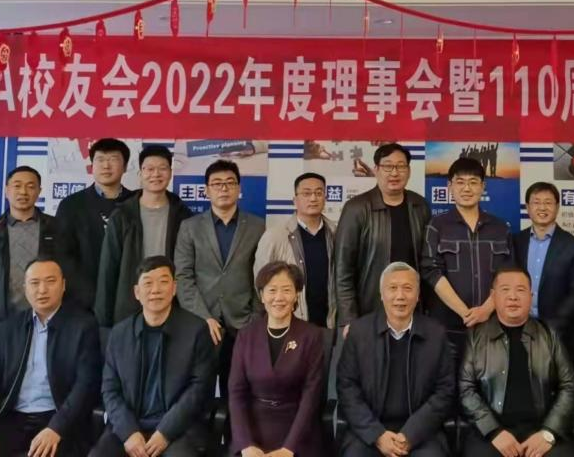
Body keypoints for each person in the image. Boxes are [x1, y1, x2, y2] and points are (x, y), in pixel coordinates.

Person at [0, 257, 102, 457]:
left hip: (58, 419)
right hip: (12, 417)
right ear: (25, 288)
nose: (42, 290)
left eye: (50, 281)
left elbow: (86, 385)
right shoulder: (11, 326)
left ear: (63, 285)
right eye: (34, 283)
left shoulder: (83, 326)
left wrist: (56, 428)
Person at [93, 255, 217, 457]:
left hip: (179, 429)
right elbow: (110, 390)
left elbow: (199, 390)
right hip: (131, 427)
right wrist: (128, 432)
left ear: (174, 288)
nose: (155, 290)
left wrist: (165, 432)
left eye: (163, 282)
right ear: (137, 292)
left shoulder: (196, 331)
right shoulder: (119, 334)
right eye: (148, 283)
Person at [459, 267, 574, 457]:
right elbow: (466, 389)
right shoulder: (476, 336)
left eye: (520, 290)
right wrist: (493, 431)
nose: (513, 297)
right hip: (491, 431)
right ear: (493, 296)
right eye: (505, 290)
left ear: (531, 297)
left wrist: (548, 433)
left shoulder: (549, 334)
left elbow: (570, 387)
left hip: (541, 428)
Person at [337, 262, 457, 457]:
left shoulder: (436, 334)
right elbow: (347, 388)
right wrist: (377, 435)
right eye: (392, 288)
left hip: (421, 432)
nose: (400, 296)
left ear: (418, 295)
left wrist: (410, 435)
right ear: (381, 294)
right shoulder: (359, 333)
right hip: (369, 431)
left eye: (407, 288)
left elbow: (444, 391)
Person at [175, 159, 266, 395]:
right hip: (201, 322)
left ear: (239, 188)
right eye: (216, 183)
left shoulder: (258, 227)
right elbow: (183, 276)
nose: (223, 188)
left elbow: (263, 277)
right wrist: (203, 316)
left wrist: (254, 318)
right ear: (206, 190)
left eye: (230, 183)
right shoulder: (189, 227)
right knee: (197, 392)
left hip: (242, 324)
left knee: (236, 393)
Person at [228, 262, 329, 457]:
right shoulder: (246, 335)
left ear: (296, 294)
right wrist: (246, 444)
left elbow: (311, 396)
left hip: (297, 433)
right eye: (272, 290)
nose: (279, 297)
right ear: (262, 295)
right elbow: (236, 393)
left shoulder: (312, 336)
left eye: (286, 290)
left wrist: (289, 448)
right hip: (253, 430)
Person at [336, 143, 433, 330]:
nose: (394, 173)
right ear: (376, 170)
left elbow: (427, 262)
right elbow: (343, 269)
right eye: (388, 166)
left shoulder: (420, 206)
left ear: (408, 171)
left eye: (401, 166)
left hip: (412, 310)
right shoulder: (356, 208)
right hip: (369, 310)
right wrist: (348, 318)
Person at [95, 144, 193, 327]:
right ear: (140, 174)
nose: (156, 174)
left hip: (172, 306)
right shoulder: (122, 215)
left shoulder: (183, 215)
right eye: (149, 169)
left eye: (162, 168)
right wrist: (104, 320)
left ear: (170, 173)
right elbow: (109, 268)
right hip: (130, 306)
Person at [423, 157, 512, 357]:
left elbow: (509, 275)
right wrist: (465, 312)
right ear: (450, 187)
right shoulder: (437, 226)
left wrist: (486, 310)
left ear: (483, 186)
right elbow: (431, 271)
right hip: (448, 329)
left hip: (492, 327)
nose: (466, 188)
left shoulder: (500, 228)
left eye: (473, 182)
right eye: (460, 182)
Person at [0, 165, 59, 347]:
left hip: (46, 322)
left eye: (30, 186)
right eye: (17, 186)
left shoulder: (57, 228)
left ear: (39, 191)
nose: (23, 192)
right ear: (6, 190)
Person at [55, 138, 138, 313]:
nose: (106, 166)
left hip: (130, 300)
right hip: (83, 302)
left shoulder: (137, 204)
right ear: (92, 166)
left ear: (125, 167)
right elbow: (62, 256)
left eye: (113, 159)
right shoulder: (71, 205)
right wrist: (85, 294)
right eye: (100, 160)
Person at [254, 172, 338, 330]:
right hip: (290, 326)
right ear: (295, 200)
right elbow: (261, 282)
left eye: (318, 193)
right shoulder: (275, 236)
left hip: (329, 325)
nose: (313, 198)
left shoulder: (336, 234)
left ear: (325, 198)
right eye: (306, 193)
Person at [510, 182, 574, 352]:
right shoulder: (516, 241)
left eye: (548, 202)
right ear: (528, 207)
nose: (542, 207)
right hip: (519, 327)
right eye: (536, 202)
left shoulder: (573, 245)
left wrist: (553, 327)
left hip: (558, 332)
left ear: (557, 207)